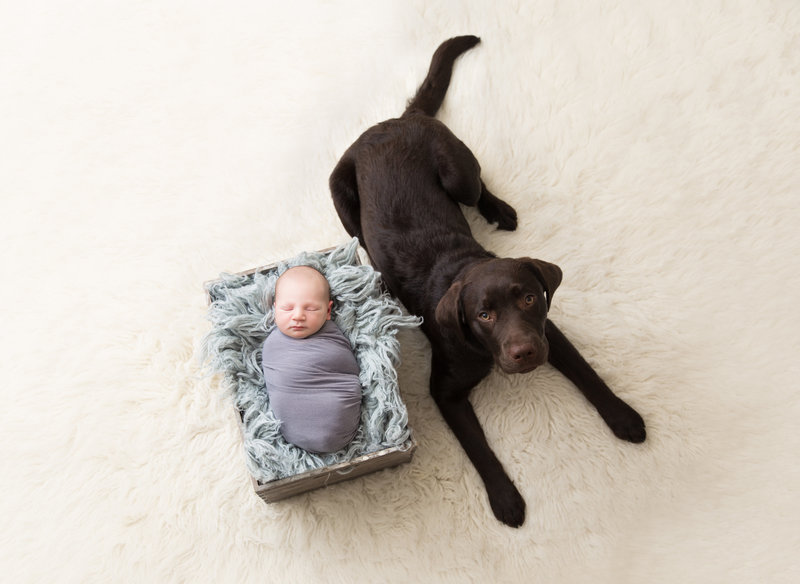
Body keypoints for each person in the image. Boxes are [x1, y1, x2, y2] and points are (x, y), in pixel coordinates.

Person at [261, 265, 362, 453]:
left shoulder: (334, 336)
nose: (298, 316)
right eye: (287, 308)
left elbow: (347, 366)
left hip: (337, 412)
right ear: (275, 309)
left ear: (328, 311)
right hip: (293, 429)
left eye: (311, 308)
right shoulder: (272, 344)